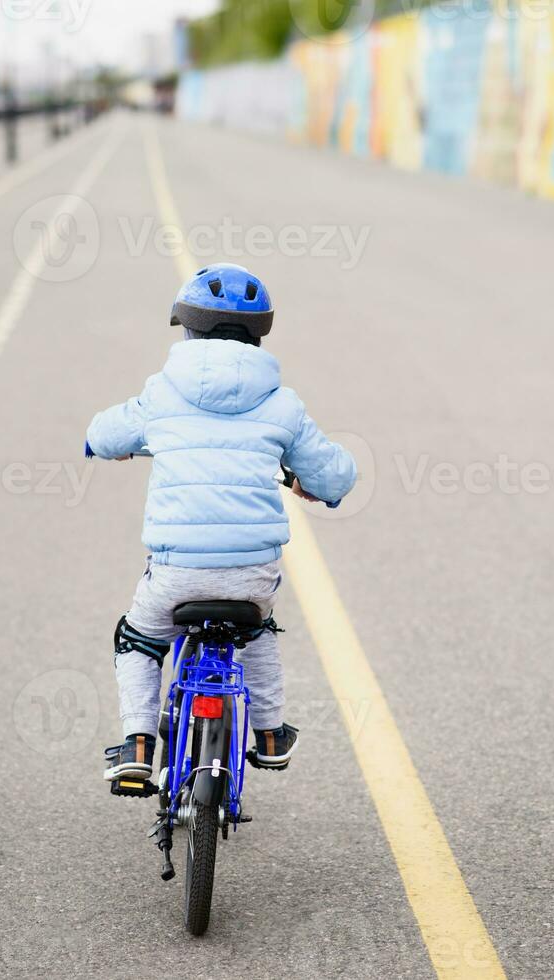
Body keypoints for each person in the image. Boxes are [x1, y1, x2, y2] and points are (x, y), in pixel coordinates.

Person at [85, 263, 356, 789]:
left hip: (176, 572)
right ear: (258, 335)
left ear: (187, 328)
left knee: (139, 641)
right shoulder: (282, 404)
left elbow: (105, 431)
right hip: (251, 572)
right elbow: (335, 473)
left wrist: (102, 446)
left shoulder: (161, 394)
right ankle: (271, 733)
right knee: (257, 631)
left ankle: (139, 743)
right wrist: (319, 486)